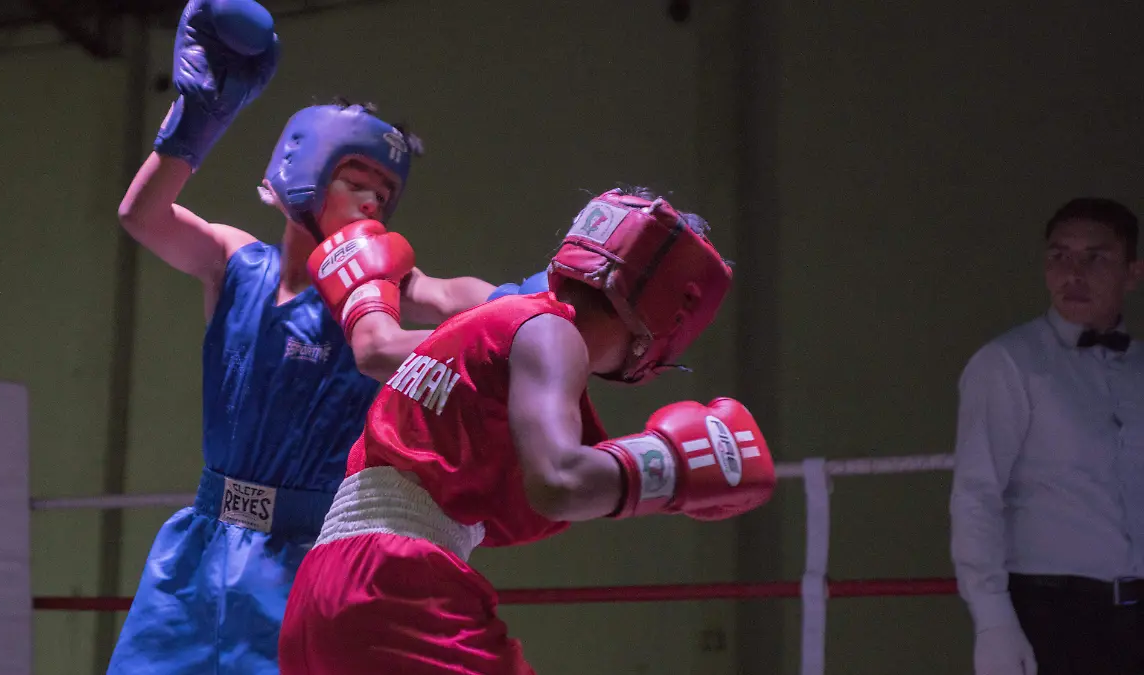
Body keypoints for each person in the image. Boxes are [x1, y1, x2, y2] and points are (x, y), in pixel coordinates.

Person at [107, 0, 530, 671]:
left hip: (307, 556)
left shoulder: (381, 286)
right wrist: (198, 116)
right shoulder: (235, 263)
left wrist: (536, 300)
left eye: (383, 195)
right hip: (200, 544)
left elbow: (456, 298)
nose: (371, 203)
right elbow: (142, 216)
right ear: (302, 172)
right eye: (355, 181)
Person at [278, 187, 779, 674]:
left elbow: (379, 349)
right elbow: (559, 480)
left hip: (322, 590)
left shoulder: (489, 326)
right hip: (397, 587)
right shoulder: (550, 332)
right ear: (665, 313)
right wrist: (670, 466)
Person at [950, 197, 1144, 675]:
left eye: (1095, 258)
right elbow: (976, 494)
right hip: (1052, 611)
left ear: (1132, 274)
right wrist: (993, 621)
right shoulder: (1009, 363)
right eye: (1060, 256)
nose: (1073, 273)